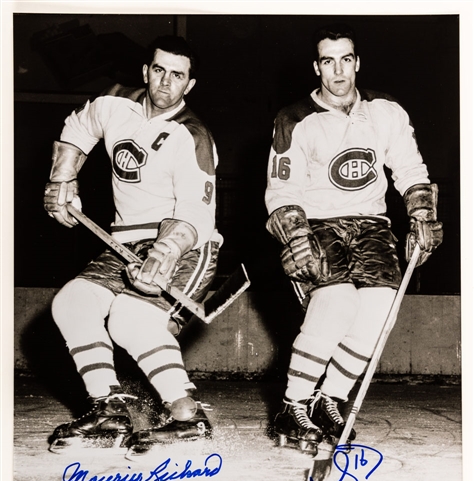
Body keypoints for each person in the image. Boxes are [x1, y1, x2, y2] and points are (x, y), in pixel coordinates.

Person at [264, 23, 443, 451]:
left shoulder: (387, 112)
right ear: (317, 67)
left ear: (357, 63)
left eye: (346, 59)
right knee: (337, 301)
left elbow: (411, 170)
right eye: (329, 61)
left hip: (373, 226)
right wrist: (294, 233)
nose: (339, 71)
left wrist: (421, 213)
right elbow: (281, 189)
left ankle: (332, 398)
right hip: (320, 223)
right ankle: (293, 406)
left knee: (380, 310)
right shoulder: (295, 118)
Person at [44, 35, 222, 455]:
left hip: (186, 245)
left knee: (130, 319)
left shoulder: (192, 136)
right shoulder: (113, 104)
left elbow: (197, 215)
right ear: (146, 71)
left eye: (177, 75)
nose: (165, 82)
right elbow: (79, 128)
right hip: (121, 241)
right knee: (72, 303)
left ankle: (187, 416)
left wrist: (164, 253)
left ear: (189, 85)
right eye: (159, 70)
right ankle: (109, 407)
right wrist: (63, 176)